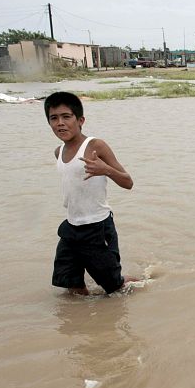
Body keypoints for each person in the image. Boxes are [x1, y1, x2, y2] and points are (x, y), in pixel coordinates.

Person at [45, 91, 134, 295]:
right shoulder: (58, 152)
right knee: (72, 286)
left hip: (97, 227)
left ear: (80, 120)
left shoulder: (95, 146)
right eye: (54, 118)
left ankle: (149, 282)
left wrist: (106, 170)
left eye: (66, 117)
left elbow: (128, 182)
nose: (60, 123)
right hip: (70, 228)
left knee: (115, 288)